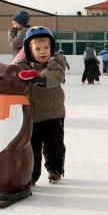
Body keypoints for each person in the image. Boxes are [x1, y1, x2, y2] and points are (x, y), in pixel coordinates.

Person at [16, 26, 67, 185]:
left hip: (53, 114)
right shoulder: (22, 66)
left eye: (46, 47)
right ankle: (31, 175)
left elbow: (56, 75)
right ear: (29, 51)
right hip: (31, 116)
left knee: (54, 145)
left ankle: (55, 169)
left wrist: (39, 78)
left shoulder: (55, 62)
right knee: (32, 148)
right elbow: (9, 76)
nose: (43, 51)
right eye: (38, 48)